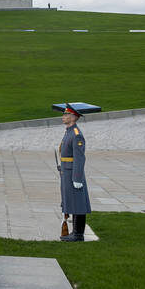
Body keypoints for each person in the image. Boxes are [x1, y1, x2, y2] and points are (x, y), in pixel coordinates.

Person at [59, 103, 91, 242]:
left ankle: (78, 234)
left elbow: (79, 158)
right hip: (67, 172)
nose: (63, 117)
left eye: (66, 114)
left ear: (73, 117)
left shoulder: (76, 135)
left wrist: (77, 178)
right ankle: (74, 232)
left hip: (73, 174)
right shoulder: (69, 132)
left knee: (78, 203)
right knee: (72, 202)